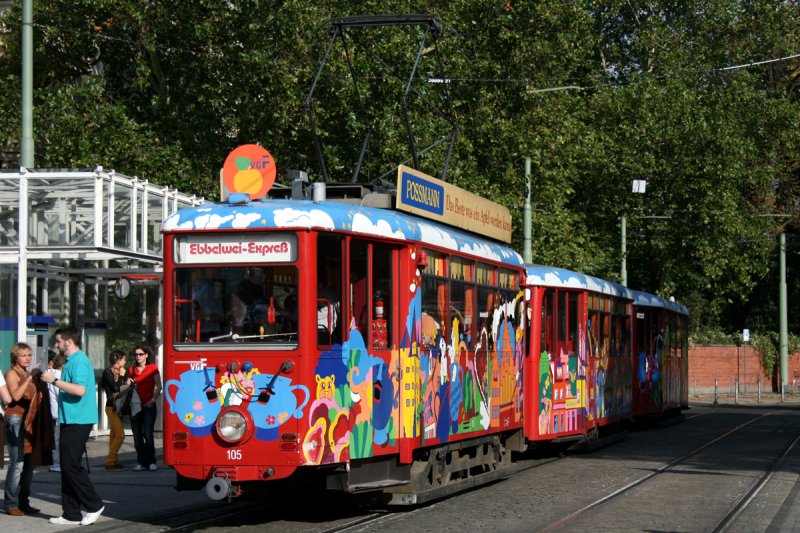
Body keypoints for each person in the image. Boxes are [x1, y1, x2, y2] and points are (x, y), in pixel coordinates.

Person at [41, 326, 105, 526]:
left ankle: (94, 505)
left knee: (71, 466)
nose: (56, 345)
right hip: (70, 419)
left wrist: (54, 381)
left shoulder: (79, 361)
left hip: (79, 419)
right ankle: (71, 513)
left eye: (58, 341)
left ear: (69, 341)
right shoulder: (70, 361)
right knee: (67, 466)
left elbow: (79, 390)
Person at [4, 342, 52, 517]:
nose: (27, 358)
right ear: (15, 357)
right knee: (17, 463)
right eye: (23, 355)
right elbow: (16, 396)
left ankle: (23, 501)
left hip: (30, 420)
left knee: (30, 464)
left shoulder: (27, 373)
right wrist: (30, 378)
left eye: (29, 355)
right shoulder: (12, 373)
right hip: (16, 419)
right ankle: (11, 503)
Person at [127, 343, 162, 472]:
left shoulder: (152, 368)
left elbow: (159, 386)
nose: (138, 357)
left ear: (146, 355)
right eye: (136, 354)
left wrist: (153, 400)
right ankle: (141, 462)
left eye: (140, 354)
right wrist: (128, 383)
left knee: (147, 433)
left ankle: (151, 461)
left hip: (149, 405)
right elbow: (127, 387)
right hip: (136, 406)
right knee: (137, 435)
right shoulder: (132, 370)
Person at [101, 350, 127, 471]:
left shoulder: (121, 371)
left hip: (119, 406)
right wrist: (121, 376)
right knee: (120, 435)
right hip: (111, 407)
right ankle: (110, 461)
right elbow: (116, 387)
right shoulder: (107, 372)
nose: (125, 362)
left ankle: (113, 461)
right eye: (123, 359)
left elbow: (123, 387)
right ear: (118, 360)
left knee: (114, 435)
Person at [46, 350, 65, 473]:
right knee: (57, 439)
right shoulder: (58, 377)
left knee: (55, 438)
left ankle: (55, 461)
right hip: (58, 413)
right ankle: (56, 462)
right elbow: (61, 395)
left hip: (53, 411)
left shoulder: (50, 374)